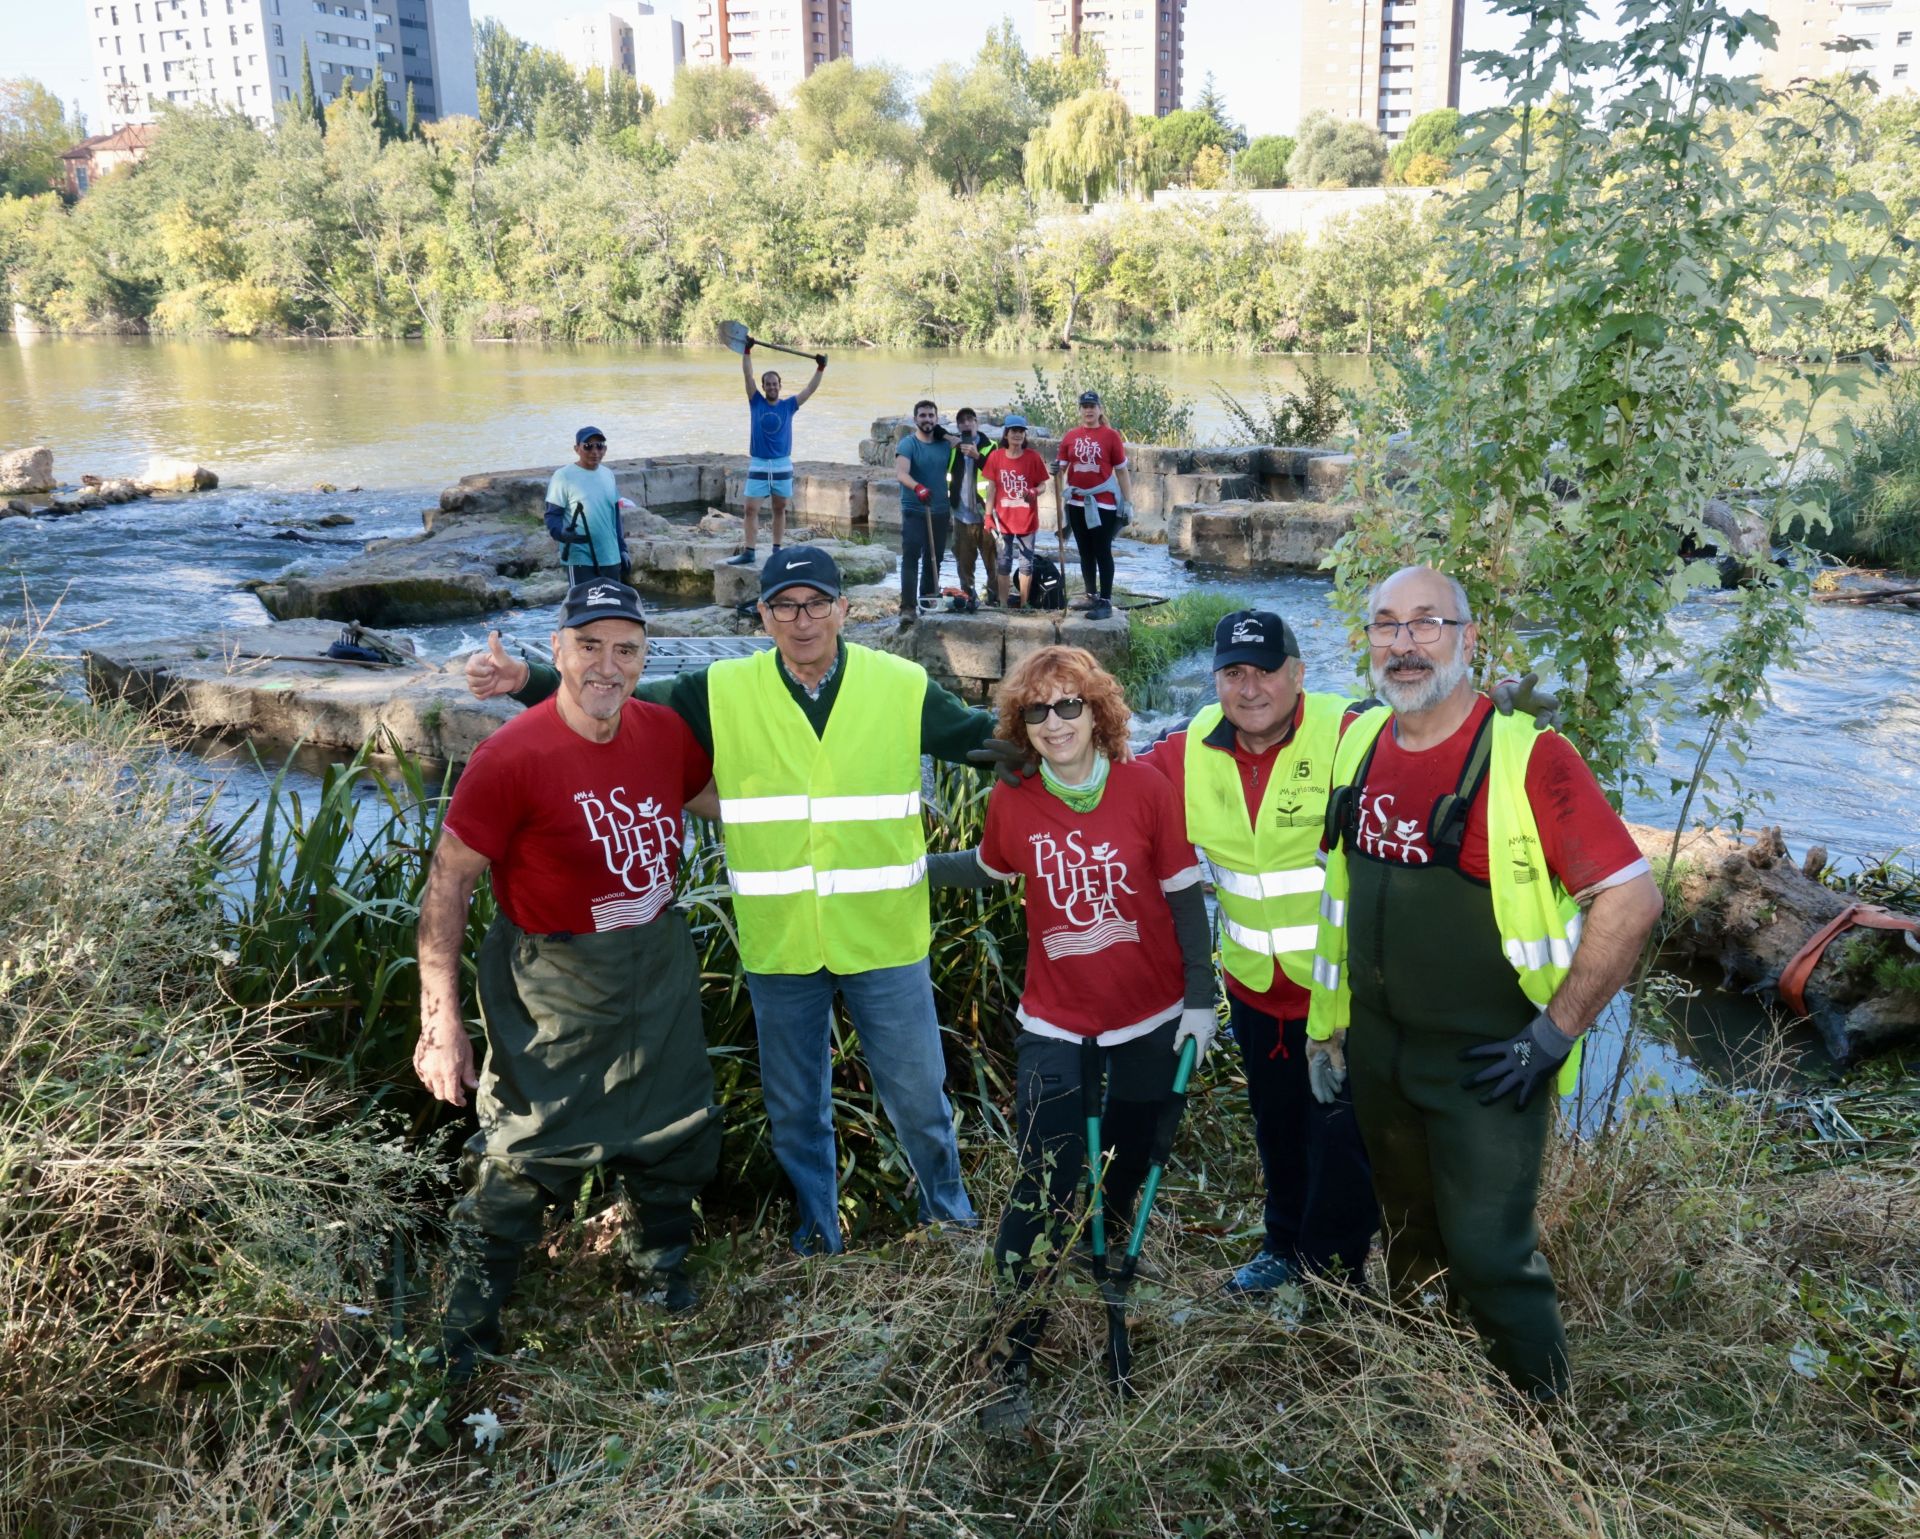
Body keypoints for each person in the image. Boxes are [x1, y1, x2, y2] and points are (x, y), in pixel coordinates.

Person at [465, 546, 1032, 1256]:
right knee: (797, 1110)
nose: (802, 620)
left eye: (816, 603)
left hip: (885, 939)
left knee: (919, 1100)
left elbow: (988, 743)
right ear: (762, 615)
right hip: (781, 943)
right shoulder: (721, 689)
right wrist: (527, 679)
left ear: (843, 611)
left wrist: (1082, 742)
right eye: (785, 605)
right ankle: (819, 1236)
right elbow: (617, 692)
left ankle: (950, 1223)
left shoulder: (901, 683)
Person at [1306, 565, 1663, 1399]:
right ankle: (1438, 1396)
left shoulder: (1528, 756)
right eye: (1386, 625)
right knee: (1407, 1233)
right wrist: (1331, 1027)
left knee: (1491, 1254)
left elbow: (1632, 899)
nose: (1404, 642)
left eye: (1427, 622)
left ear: (1469, 639)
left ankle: (1545, 1437)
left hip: (1489, 1062)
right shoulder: (1359, 739)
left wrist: (1556, 1030)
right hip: (1380, 1051)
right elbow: (1339, 901)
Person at [416, 579, 723, 1380]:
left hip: (655, 968)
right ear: (557, 651)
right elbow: (448, 884)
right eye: (589, 645)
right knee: (522, 1152)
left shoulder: (663, 732)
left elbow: (721, 805)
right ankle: (468, 1330)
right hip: (553, 981)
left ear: (644, 657)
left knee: (676, 1125)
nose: (607, 664)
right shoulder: (511, 756)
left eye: (626, 648)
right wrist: (440, 1021)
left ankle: (659, 1271)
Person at [926, 644, 1217, 1437]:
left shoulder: (1146, 787)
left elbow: (1186, 894)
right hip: (1056, 1024)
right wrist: (906, 869)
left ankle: (1110, 1274)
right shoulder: (1013, 799)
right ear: (1022, 724)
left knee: (1125, 1166)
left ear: (1098, 714)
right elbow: (989, 869)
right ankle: (1011, 1357)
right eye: (1037, 710)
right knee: (1042, 1185)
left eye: (1070, 706)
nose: (1055, 723)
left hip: (1151, 1020)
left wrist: (1201, 996)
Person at [1135, 609, 1380, 1300]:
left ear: (1297, 673)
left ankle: (1337, 1279)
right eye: (1233, 672)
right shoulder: (1184, 750)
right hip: (1253, 989)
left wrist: (1497, 718)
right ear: (1216, 680)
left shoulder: (1349, 728)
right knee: (1277, 1128)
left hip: (1339, 995)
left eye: (1266, 669)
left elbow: (1428, 749)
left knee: (1341, 1141)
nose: (1250, 687)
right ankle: (1283, 1247)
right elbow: (1110, 778)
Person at [727, 342, 826, 568]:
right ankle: (749, 551)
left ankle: (777, 550)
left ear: (780, 385)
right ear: (763, 387)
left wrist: (820, 368)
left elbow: (809, 390)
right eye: (768, 384)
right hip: (759, 464)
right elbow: (747, 375)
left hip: (782, 465)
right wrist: (747, 351)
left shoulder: (789, 405)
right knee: (750, 509)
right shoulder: (756, 402)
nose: (771, 387)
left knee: (779, 508)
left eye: (775, 383)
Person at [1052, 391, 1134, 621]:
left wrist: (1127, 502)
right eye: (1084, 406)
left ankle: (1105, 601)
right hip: (1076, 502)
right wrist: (1055, 471)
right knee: (1084, 551)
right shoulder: (1070, 436)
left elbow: (1121, 470)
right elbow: (1061, 470)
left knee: (1102, 551)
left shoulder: (1111, 436)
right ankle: (1091, 595)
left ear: (1100, 409)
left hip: (1103, 504)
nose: (1088, 410)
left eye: (1092, 406)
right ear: (1080, 410)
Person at [894, 400, 956, 627]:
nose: (927, 419)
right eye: (923, 416)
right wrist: (917, 487)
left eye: (931, 416)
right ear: (915, 419)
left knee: (934, 558)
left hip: (940, 509)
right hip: (914, 508)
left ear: (937, 419)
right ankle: (908, 607)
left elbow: (964, 446)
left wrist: (946, 435)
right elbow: (901, 473)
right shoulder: (908, 444)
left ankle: (928, 600)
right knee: (911, 558)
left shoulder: (943, 444)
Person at [979, 416, 1049, 611]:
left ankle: (1024, 603)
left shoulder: (1033, 457)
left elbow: (1043, 484)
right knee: (1003, 562)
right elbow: (991, 489)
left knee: (1026, 564)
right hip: (1003, 521)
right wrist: (987, 516)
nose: (1017, 434)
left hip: (1027, 520)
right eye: (1013, 431)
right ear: (1006, 434)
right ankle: (1002, 603)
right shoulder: (996, 457)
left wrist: (1035, 491)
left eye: (1020, 431)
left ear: (1024, 434)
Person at [545, 427, 630, 585]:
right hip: (580, 558)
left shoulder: (608, 475)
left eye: (599, 446)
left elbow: (615, 517)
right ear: (577, 448)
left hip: (610, 556)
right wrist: (562, 533)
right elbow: (552, 515)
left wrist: (622, 549)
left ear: (605, 448)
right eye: (588, 446)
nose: (595, 451)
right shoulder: (563, 476)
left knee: (610, 607)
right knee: (584, 607)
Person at [945, 408, 996, 611]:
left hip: (986, 514)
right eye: (962, 422)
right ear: (958, 426)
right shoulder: (952, 448)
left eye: (970, 420)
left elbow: (997, 474)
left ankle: (993, 597)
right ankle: (968, 596)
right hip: (961, 515)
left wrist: (977, 457)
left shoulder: (990, 446)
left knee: (992, 559)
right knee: (964, 560)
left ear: (977, 423)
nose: (967, 424)